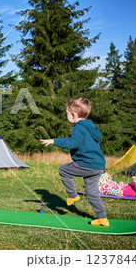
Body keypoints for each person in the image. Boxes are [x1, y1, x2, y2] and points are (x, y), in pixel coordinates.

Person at [40, 97, 109, 226]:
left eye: (67, 113)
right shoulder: (91, 127)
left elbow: (73, 143)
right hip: (98, 165)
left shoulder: (79, 128)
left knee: (64, 169)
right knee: (92, 192)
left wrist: (55, 141)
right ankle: (102, 218)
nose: (67, 115)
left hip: (87, 164)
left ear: (73, 114)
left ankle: (72, 195)